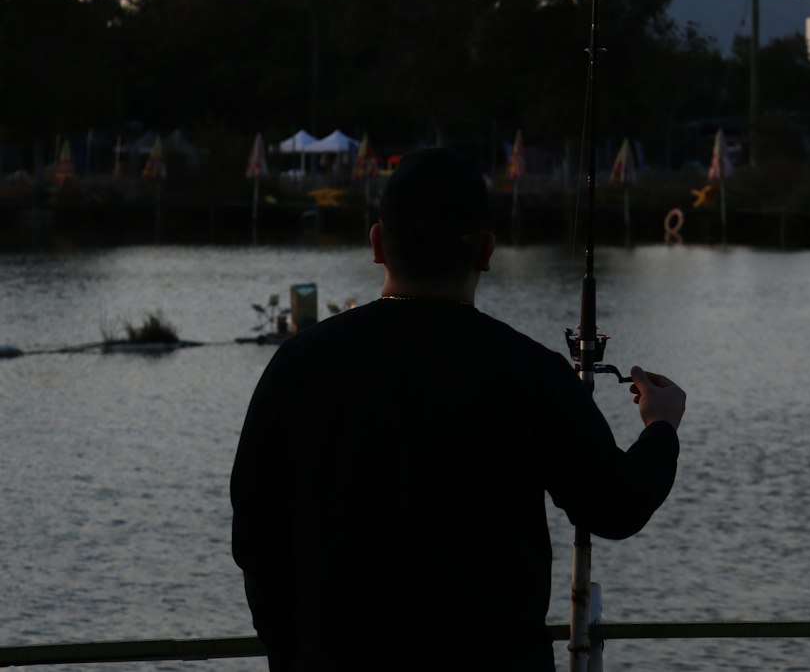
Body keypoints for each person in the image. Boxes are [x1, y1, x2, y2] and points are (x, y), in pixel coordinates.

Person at [231, 148, 685, 672]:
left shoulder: (296, 366)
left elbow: (257, 538)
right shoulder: (530, 372)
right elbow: (616, 505)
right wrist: (661, 427)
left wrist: (293, 653)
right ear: (487, 251)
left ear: (377, 244)